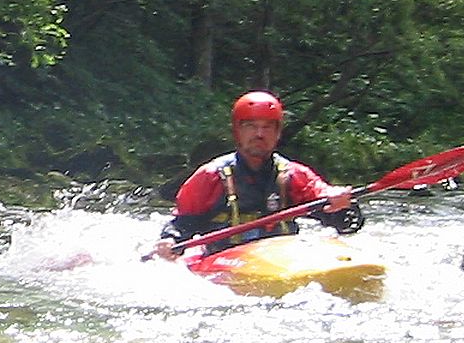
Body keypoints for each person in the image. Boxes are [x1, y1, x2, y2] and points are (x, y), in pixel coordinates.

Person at [149, 90, 362, 260]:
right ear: (237, 131)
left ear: (278, 133)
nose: (259, 134)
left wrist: (343, 203)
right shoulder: (210, 176)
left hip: (283, 260)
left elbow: (345, 221)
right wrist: (170, 241)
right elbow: (182, 224)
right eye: (251, 126)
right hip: (225, 259)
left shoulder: (294, 175)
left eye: (268, 127)